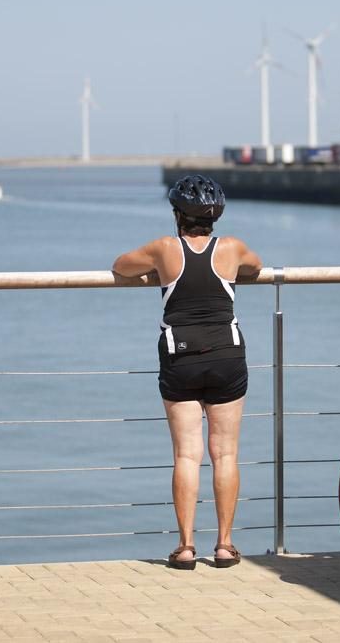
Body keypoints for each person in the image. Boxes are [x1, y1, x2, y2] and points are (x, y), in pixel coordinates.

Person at [112, 175, 262, 570]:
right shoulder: (232, 248)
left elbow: (121, 267)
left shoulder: (164, 249)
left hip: (180, 357)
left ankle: (185, 547)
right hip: (228, 355)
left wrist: (159, 272)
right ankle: (226, 546)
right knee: (225, 453)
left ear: (178, 215)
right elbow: (256, 267)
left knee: (186, 454)